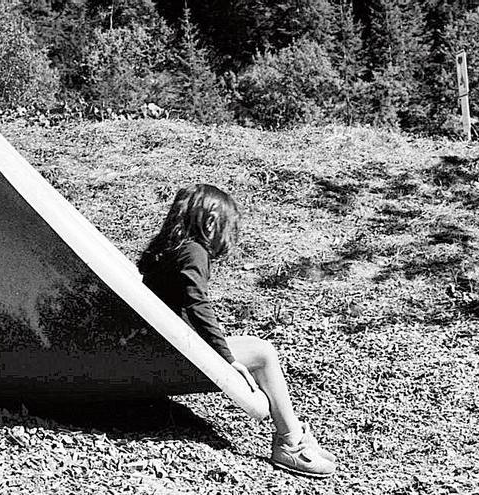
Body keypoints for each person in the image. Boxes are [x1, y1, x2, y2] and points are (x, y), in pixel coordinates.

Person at [137, 184, 337, 478]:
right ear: (211, 222)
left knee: (256, 350)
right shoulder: (194, 251)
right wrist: (226, 358)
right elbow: (197, 304)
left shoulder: (168, 250)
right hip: (171, 354)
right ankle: (290, 442)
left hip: (157, 347)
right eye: (228, 227)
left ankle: (293, 431)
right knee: (264, 353)